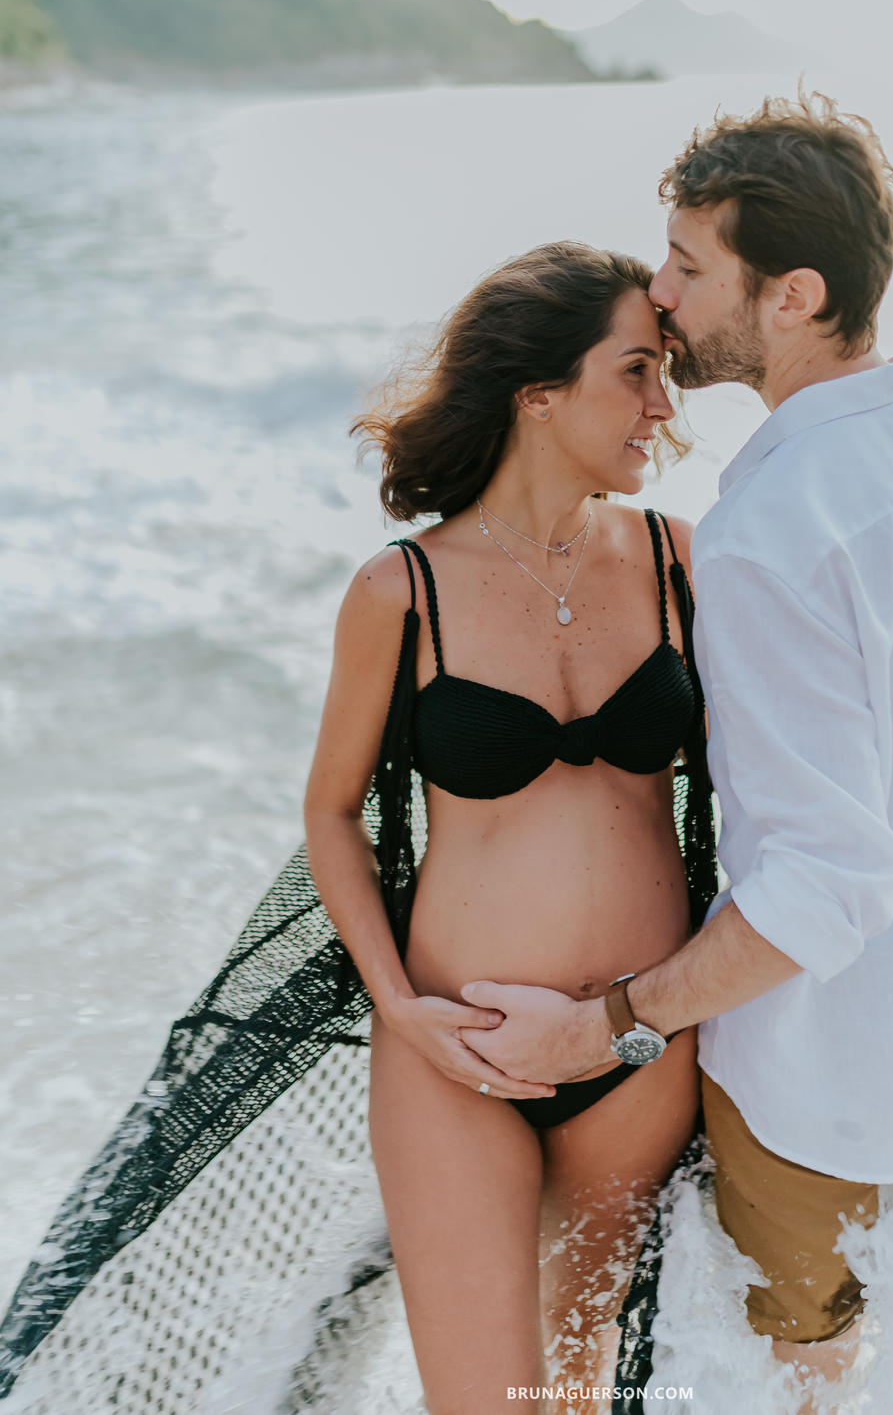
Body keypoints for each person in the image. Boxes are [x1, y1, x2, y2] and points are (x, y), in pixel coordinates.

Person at [464, 91, 893, 1403]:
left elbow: (825, 891)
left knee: (808, 1380)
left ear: (792, 297)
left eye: (689, 267)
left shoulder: (768, 529)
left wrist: (604, 1028)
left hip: (836, 1077)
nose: (659, 295)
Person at [304, 241, 716, 1413]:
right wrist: (398, 1005)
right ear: (539, 392)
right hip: (461, 1054)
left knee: (580, 1396)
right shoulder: (403, 593)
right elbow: (330, 812)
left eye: (664, 372)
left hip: (636, 1050)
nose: (662, 405)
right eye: (635, 371)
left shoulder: (679, 562)